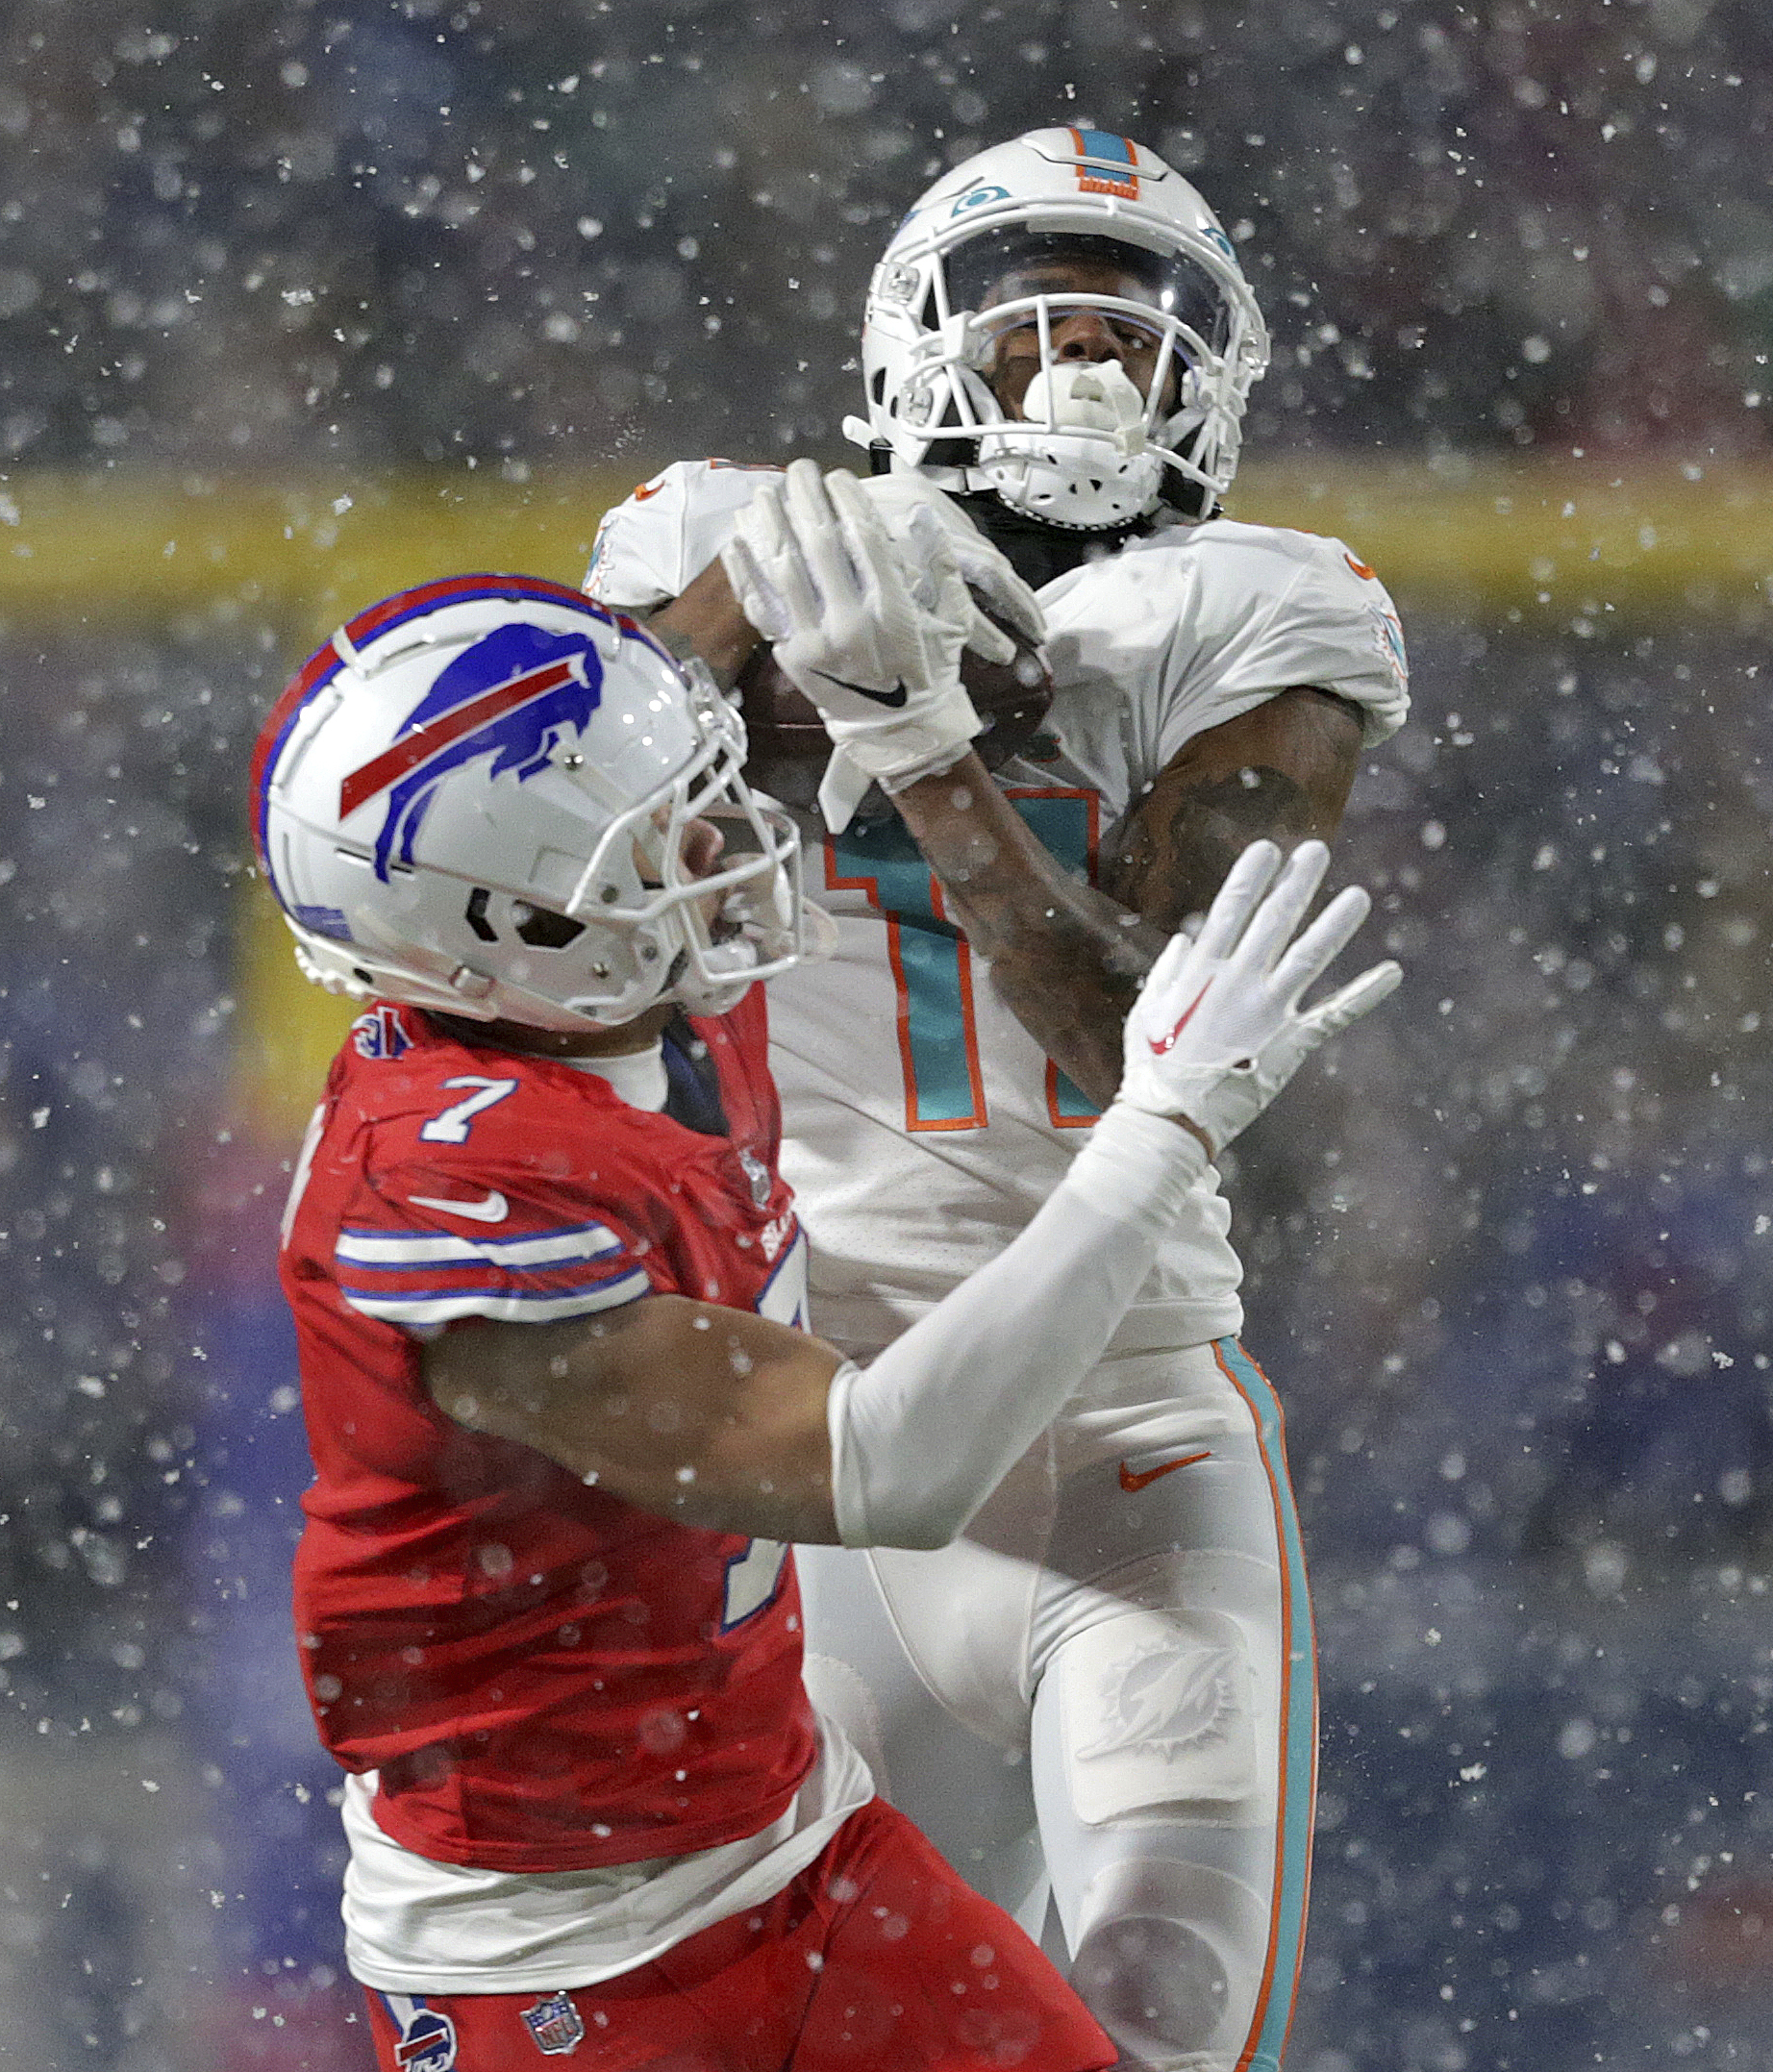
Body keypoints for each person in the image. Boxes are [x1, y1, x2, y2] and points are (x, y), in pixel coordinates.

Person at [248, 570, 1396, 2071]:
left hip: (799, 1850)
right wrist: (1161, 1129)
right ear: (508, 928)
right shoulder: (446, 1185)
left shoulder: (608, 1006)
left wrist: (801, 554)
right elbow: (886, 1470)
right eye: (663, 838)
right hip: (562, 1963)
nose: (724, 843)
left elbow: (681, 671)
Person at [580, 128, 1411, 2072]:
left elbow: (1139, 1034)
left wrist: (924, 744)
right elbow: (557, 829)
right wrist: (733, 626)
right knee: (742, 2037)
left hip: (1123, 1436)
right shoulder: (739, 528)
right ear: (922, 342)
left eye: (1134, 321)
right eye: (1039, 315)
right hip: (810, 1427)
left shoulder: (1255, 614)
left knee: (1149, 2027)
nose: (1091, 358)